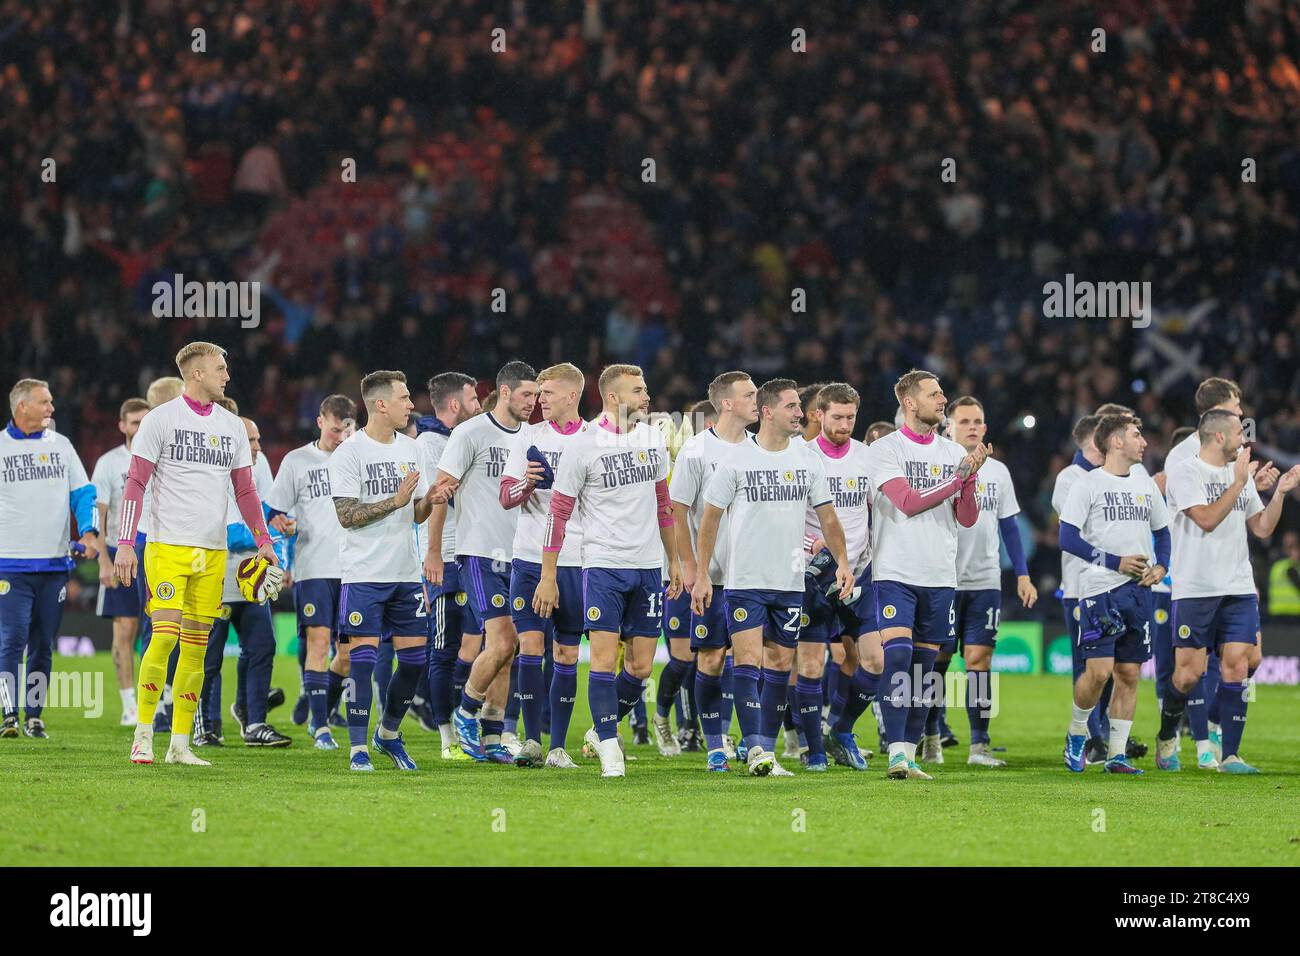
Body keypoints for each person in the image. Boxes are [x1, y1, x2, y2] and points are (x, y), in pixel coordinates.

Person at [114, 343, 278, 766]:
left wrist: (264, 540)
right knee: (165, 635)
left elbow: (245, 489)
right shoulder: (160, 420)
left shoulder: (232, 426)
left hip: (213, 552)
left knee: (197, 650)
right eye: (220, 368)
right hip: (167, 546)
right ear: (197, 374)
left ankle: (180, 744)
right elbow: (135, 483)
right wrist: (127, 542)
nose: (227, 375)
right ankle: (144, 734)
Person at [691, 378, 855, 776]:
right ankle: (757, 751)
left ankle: (764, 746)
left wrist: (844, 562)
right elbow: (710, 519)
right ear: (767, 412)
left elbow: (829, 517)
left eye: (800, 406)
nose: (801, 413)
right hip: (745, 580)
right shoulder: (737, 459)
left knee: (780, 662)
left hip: (790, 581)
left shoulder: (805, 459)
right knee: (747, 659)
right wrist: (700, 574)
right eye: (792, 406)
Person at [534, 364, 683, 778]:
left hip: (649, 567)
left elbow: (663, 504)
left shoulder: (654, 439)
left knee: (638, 667)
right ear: (613, 397)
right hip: (602, 566)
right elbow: (557, 515)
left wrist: (675, 561)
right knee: (601, 661)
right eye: (638, 390)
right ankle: (610, 749)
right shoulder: (584, 446)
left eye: (645, 388)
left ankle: (601, 731)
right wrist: (548, 576)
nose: (646, 396)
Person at [1158, 410, 1299, 773]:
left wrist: (1280, 494)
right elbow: (1205, 520)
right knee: (1188, 674)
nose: (1245, 439)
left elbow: (1263, 528)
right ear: (1219, 437)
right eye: (1239, 432)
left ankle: (1231, 755)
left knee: (1239, 663)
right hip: (1195, 589)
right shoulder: (1186, 472)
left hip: (1237, 587)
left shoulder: (1239, 473)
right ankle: (1168, 730)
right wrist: (1238, 483)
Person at [864, 369, 983, 780]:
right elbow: (909, 503)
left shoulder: (954, 453)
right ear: (909, 403)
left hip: (940, 575)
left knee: (926, 670)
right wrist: (959, 479)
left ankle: (910, 756)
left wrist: (968, 482)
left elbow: (967, 519)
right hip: (895, 570)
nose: (942, 399)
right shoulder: (885, 450)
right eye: (934, 394)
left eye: (942, 392)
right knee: (896, 657)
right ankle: (897, 752)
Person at [330, 370, 442, 771]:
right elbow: (346, 516)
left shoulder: (411, 449)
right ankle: (358, 747)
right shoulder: (349, 453)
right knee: (361, 660)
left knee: (414, 662)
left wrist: (431, 499)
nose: (412, 405)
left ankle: (388, 734)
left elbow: (417, 512)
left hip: (405, 574)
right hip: (363, 573)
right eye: (405, 398)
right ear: (381, 404)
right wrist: (395, 501)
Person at [430, 361, 538, 762]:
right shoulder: (469, 432)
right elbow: (442, 491)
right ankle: (466, 711)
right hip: (480, 553)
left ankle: (493, 737)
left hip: (522, 554)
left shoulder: (532, 437)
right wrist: (433, 550)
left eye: (537, 396)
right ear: (505, 392)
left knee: (511, 648)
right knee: (503, 641)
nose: (533, 403)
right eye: (527, 394)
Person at [1059, 413, 1170, 774]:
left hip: (1139, 593)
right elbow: (1067, 538)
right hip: (1099, 590)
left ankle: (1117, 755)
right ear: (1117, 441)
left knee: (1130, 674)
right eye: (1137, 435)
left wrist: (1162, 566)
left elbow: (1163, 531)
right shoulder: (1087, 485)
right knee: (1099, 672)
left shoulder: (1144, 483)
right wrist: (1114, 561)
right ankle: (1078, 733)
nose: (1144, 442)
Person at [934, 396, 1037, 767]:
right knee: (937, 660)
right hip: (942, 579)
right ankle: (932, 732)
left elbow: (1009, 526)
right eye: (964, 421)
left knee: (979, 660)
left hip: (985, 580)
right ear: (949, 426)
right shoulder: (938, 464)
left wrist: (1022, 574)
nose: (973, 427)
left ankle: (980, 744)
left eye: (978, 421)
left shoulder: (998, 472)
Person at [498, 362, 589, 767]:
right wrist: (529, 483)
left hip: (577, 561)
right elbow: (505, 495)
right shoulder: (528, 438)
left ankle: (558, 747)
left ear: (572, 396)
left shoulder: (594, 441)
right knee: (530, 648)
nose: (539, 401)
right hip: (530, 557)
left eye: (547, 393)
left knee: (567, 655)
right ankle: (532, 742)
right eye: (537, 393)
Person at [0, 379, 100, 739]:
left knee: (43, 643)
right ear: (21, 406)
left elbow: (84, 493)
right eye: (44, 402)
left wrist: (89, 532)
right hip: (10, 564)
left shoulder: (61, 445)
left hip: (55, 565)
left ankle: (34, 715)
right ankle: (9, 714)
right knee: (11, 639)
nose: (51, 409)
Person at [669, 373, 758, 768]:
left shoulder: (762, 449)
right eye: (750, 395)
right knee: (709, 660)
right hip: (713, 576)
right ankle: (716, 744)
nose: (757, 401)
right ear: (726, 403)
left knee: (749, 661)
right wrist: (691, 566)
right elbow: (677, 511)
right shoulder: (696, 449)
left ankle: (752, 741)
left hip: (754, 578)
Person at [266, 395, 356, 750]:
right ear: (320, 422)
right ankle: (320, 727)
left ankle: (319, 703)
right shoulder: (297, 461)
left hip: (356, 569)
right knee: (319, 645)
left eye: (347, 430)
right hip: (314, 567)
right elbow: (274, 511)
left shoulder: (361, 456)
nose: (340, 437)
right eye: (335, 429)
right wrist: (282, 524)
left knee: (347, 655)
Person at [799, 383, 877, 772]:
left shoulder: (867, 458)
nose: (845, 424)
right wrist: (813, 546)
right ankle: (814, 751)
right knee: (810, 665)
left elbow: (875, 510)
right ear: (819, 415)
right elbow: (788, 516)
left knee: (875, 661)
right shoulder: (802, 457)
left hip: (859, 576)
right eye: (837, 417)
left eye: (851, 417)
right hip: (816, 578)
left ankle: (841, 730)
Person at [206, 415, 292, 747]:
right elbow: (220, 527)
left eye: (257, 440)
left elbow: (269, 512)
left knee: (261, 646)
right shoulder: (213, 466)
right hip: (215, 572)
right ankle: (207, 725)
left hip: (252, 574)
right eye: (251, 441)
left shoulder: (262, 464)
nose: (257, 447)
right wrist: (259, 535)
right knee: (210, 655)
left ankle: (255, 722)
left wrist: (278, 556)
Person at [415, 371, 482, 760]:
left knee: (485, 641)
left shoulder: (468, 437)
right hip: (448, 557)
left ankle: (474, 722)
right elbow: (438, 497)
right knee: (443, 647)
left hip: (476, 553)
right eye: (473, 400)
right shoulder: (429, 443)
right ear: (455, 404)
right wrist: (434, 553)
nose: (478, 407)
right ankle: (447, 739)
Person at [91, 397, 151, 726]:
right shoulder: (109, 464)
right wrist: (103, 561)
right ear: (122, 426)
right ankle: (130, 705)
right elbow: (98, 517)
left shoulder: (157, 456)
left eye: (145, 422)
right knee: (125, 631)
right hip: (120, 553)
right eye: (134, 423)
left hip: (153, 550)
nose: (140, 428)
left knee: (156, 629)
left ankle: (155, 700)